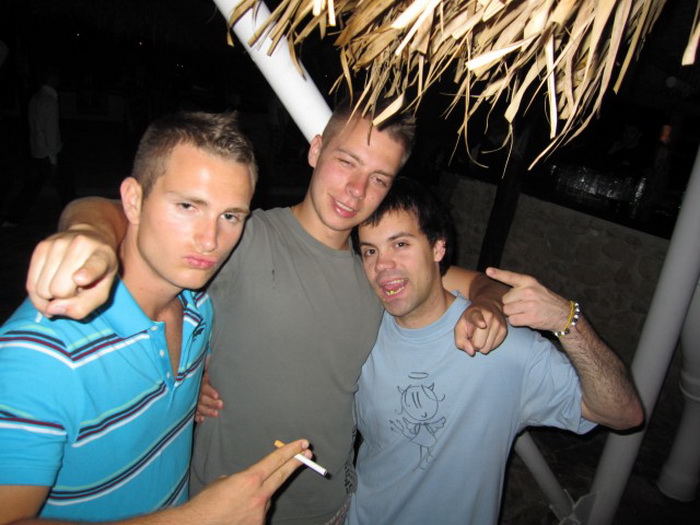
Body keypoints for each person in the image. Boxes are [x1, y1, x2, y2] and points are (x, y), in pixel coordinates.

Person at [22, 101, 508, 524]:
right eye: (346, 162)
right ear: (316, 151)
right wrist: (88, 232)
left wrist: (487, 300)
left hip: (329, 507)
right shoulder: (240, 236)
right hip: (220, 506)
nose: (356, 190)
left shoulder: (375, 267)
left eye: (379, 179)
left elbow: (462, 280)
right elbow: (128, 211)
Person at [0, 111, 313, 524]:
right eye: (187, 206)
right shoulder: (41, 353)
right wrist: (198, 518)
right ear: (133, 201)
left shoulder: (198, 307)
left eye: (230, 216)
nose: (210, 240)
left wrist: (193, 386)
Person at [345, 177, 644, 524]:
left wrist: (569, 321)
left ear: (438, 248)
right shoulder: (360, 327)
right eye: (370, 251)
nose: (383, 266)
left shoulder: (501, 342)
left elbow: (624, 414)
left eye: (400, 244)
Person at [2, 65, 75, 227]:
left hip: (38, 152)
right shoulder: (49, 101)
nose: (59, 80)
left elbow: (34, 129)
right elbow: (51, 132)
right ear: (51, 79)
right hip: (49, 154)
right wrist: (54, 161)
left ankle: (12, 218)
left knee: (32, 188)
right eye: (57, 77)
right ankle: (76, 218)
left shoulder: (35, 98)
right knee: (66, 187)